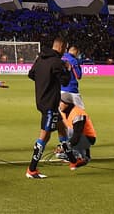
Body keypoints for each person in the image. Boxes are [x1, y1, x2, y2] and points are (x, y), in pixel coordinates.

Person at [25, 36, 71, 179]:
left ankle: (73, 159)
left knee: (61, 127)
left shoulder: (40, 58)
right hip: (49, 103)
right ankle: (31, 169)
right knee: (45, 135)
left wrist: (44, 81)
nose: (65, 51)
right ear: (61, 46)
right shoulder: (57, 62)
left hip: (41, 100)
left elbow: (31, 74)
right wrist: (67, 69)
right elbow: (65, 81)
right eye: (65, 48)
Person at [59, 93, 97, 170]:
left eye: (61, 102)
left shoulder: (78, 114)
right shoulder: (63, 112)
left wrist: (65, 146)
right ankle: (76, 154)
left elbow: (77, 135)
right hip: (78, 136)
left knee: (70, 133)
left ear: (67, 103)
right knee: (66, 132)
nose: (59, 105)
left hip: (88, 138)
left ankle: (84, 156)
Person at [61, 44, 85, 108]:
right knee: (80, 110)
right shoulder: (73, 60)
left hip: (60, 89)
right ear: (75, 52)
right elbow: (78, 76)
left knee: (63, 111)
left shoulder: (61, 57)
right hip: (71, 89)